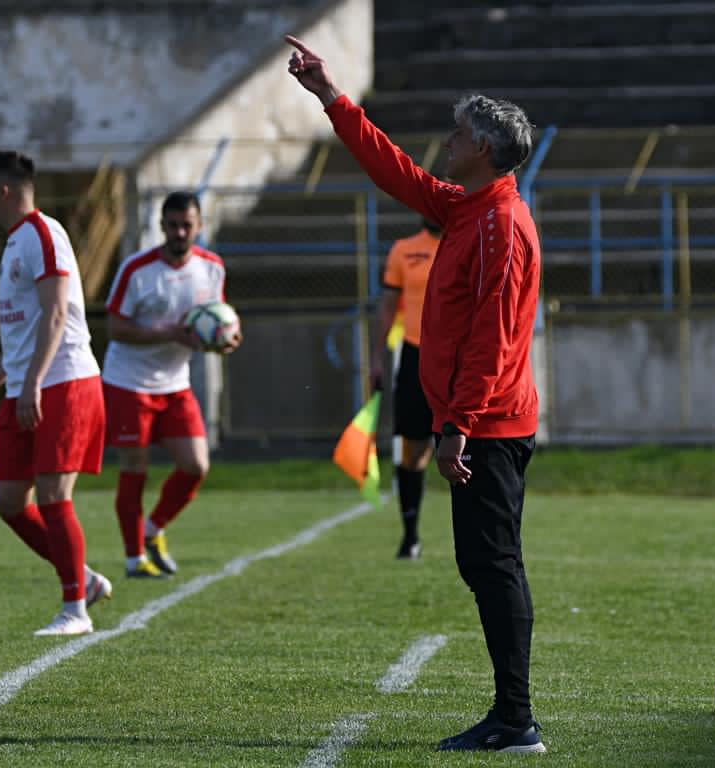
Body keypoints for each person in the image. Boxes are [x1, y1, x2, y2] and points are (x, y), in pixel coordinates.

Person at [287, 36, 545, 754]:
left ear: (486, 149)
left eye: (461, 133)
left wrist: (458, 422)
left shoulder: (500, 224)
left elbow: (494, 337)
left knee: (492, 563)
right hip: (473, 419)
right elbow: (392, 169)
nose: (449, 141)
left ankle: (517, 719)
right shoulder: (468, 208)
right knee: (482, 562)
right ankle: (513, 713)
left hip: (487, 423)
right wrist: (331, 98)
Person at [0, 150, 111, 637]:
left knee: (52, 494)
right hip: (31, 383)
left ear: (4, 190)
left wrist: (30, 384)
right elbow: (24, 330)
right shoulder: (14, 243)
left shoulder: (43, 235)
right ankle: (83, 578)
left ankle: (75, 609)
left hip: (64, 380)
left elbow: (55, 315)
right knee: (9, 500)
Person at [102, 191, 241, 579]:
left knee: (196, 465)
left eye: (187, 225)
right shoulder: (137, 269)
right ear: (161, 226)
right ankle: (134, 560)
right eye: (173, 225)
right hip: (128, 382)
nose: (180, 232)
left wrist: (225, 340)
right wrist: (169, 333)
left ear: (199, 226)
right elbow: (115, 328)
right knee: (135, 466)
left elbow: (215, 320)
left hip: (175, 384)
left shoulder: (212, 268)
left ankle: (152, 529)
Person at [370, 216, 441, 560]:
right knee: (412, 450)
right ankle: (410, 535)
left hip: (458, 359)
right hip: (414, 356)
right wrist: (375, 357)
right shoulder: (404, 250)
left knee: (465, 451)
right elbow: (386, 306)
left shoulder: (469, 244)